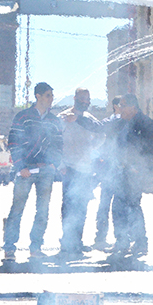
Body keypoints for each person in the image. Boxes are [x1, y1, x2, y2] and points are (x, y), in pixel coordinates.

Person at [76, 93, 153, 258]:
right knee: (118, 208)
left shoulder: (147, 124)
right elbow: (99, 127)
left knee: (133, 207)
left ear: (132, 107)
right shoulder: (119, 122)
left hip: (134, 173)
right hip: (118, 171)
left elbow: (152, 150)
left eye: (122, 106)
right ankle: (122, 242)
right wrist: (78, 118)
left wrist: (137, 166)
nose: (119, 109)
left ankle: (140, 242)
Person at [3, 82, 63, 261]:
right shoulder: (23, 117)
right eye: (48, 96)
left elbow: (59, 144)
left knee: (43, 211)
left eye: (52, 96)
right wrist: (21, 166)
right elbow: (13, 142)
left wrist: (54, 164)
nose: (51, 99)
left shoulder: (54, 120)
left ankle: (35, 248)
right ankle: (9, 248)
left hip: (46, 171)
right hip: (25, 171)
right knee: (17, 209)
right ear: (38, 96)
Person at [57, 88, 104, 258]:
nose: (85, 101)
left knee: (82, 206)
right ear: (75, 98)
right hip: (68, 168)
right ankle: (66, 243)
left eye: (88, 99)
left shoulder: (90, 119)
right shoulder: (63, 118)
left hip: (85, 170)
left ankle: (77, 242)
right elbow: (55, 141)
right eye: (82, 98)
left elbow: (101, 134)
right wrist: (60, 164)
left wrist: (92, 149)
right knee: (68, 206)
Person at [92, 96, 122, 251]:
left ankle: (122, 238)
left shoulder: (129, 122)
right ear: (116, 106)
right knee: (104, 204)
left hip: (122, 170)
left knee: (121, 205)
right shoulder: (108, 122)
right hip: (108, 170)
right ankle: (100, 237)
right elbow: (97, 141)